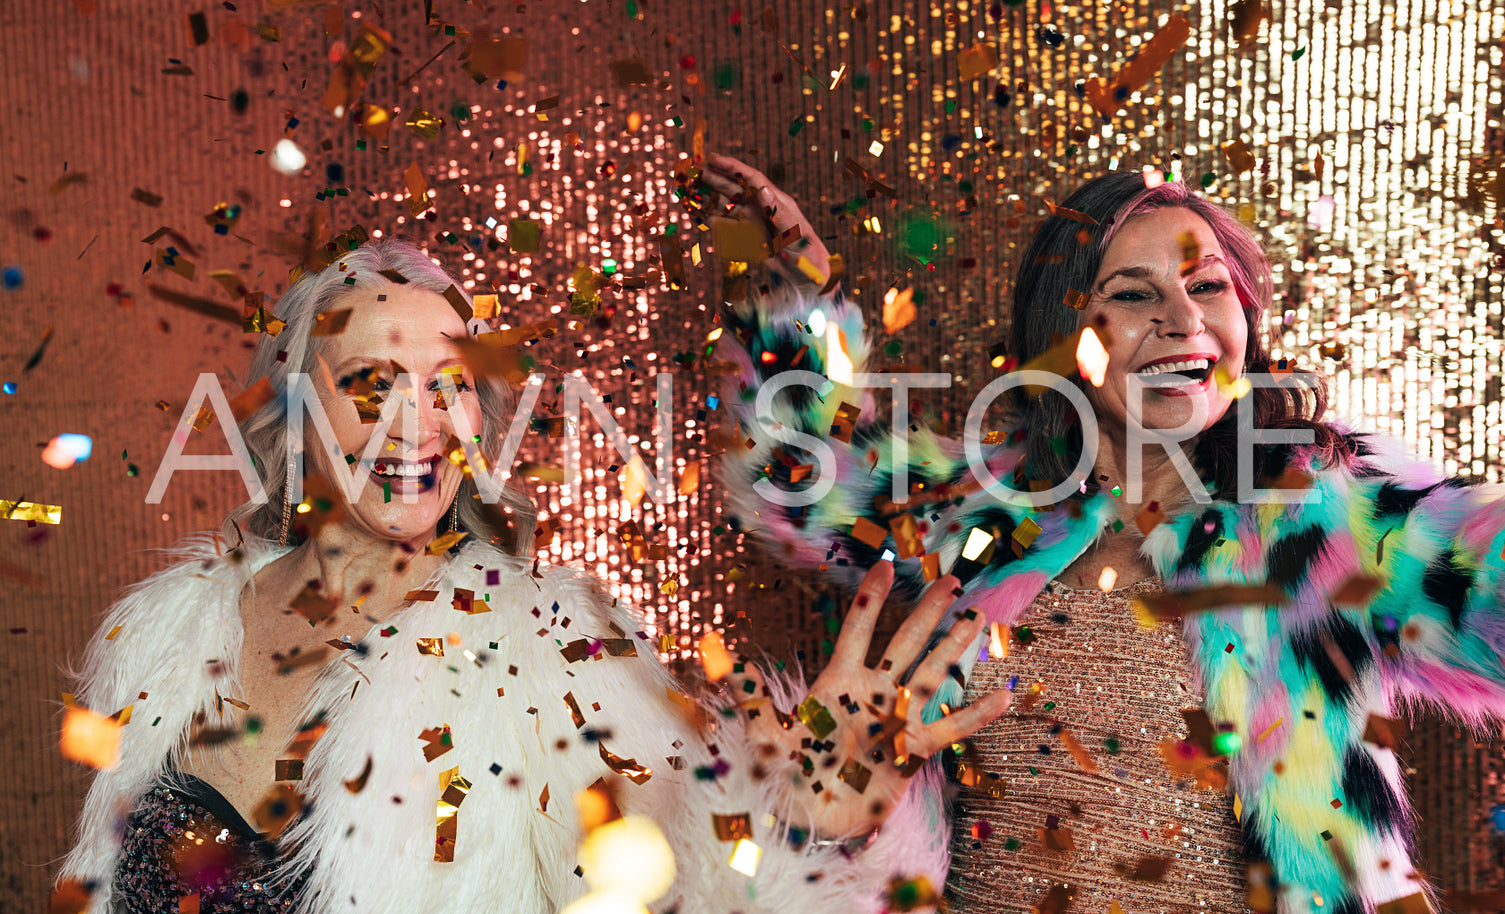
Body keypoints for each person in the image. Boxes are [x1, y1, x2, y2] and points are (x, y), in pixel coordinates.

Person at [55, 238, 1012, 913]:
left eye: (450, 382)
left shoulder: (551, 648)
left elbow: (670, 876)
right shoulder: (171, 636)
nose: (416, 423)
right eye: (371, 382)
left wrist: (788, 814)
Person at [705, 155, 1505, 914]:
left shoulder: (1323, 519)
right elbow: (801, 473)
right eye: (1132, 294)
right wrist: (797, 297)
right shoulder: (985, 516)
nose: (1184, 319)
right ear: (1065, 330)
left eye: (1206, 285)